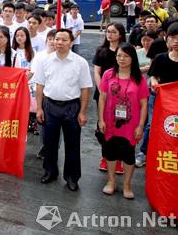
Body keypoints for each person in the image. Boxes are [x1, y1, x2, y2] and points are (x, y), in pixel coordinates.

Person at [35, 29, 92, 192]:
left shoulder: (80, 62)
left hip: (71, 107)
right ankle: (50, 172)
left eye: (63, 40)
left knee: (72, 144)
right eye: (56, 39)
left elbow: (85, 89)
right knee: (49, 142)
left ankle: (72, 178)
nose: (58, 42)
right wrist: (39, 108)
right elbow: (40, 85)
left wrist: (82, 112)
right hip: (50, 105)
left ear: (71, 42)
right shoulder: (45, 61)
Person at [98, 43, 148, 199]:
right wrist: (101, 120)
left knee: (128, 155)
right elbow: (102, 98)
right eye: (119, 55)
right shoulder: (108, 74)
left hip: (130, 124)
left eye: (126, 56)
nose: (122, 59)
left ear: (132, 58)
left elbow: (144, 104)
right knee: (110, 153)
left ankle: (127, 185)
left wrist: (140, 125)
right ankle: (111, 182)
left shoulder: (139, 78)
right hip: (110, 121)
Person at [137, 21, 178, 167]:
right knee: (153, 126)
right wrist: (153, 82)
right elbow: (153, 76)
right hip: (161, 100)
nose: (176, 41)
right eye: (172, 37)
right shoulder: (161, 58)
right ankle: (145, 153)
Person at [92, 22, 127, 173]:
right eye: (108, 31)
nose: (110, 34)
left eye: (113, 32)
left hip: (122, 97)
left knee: (121, 125)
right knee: (104, 125)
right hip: (103, 96)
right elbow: (97, 72)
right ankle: (105, 157)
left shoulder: (126, 51)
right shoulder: (101, 51)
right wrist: (103, 90)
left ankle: (119, 159)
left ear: (120, 34)